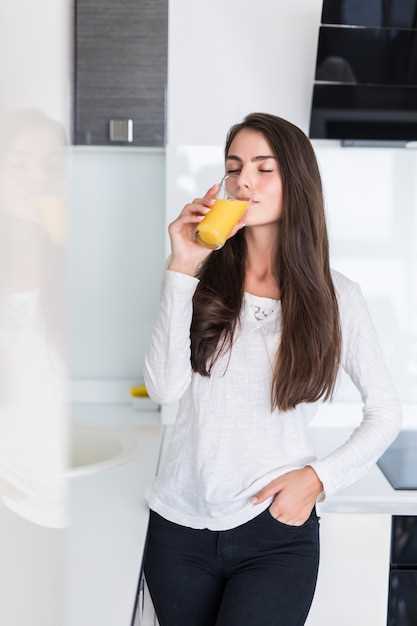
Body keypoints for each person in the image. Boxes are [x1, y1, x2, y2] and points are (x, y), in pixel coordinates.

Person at [141, 112, 403, 626]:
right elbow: (164, 388)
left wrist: (317, 479)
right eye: (235, 167)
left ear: (296, 183)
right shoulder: (198, 277)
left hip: (274, 533)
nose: (244, 181)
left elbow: (385, 412)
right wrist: (181, 266)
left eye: (265, 169)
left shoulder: (335, 295)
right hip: (179, 529)